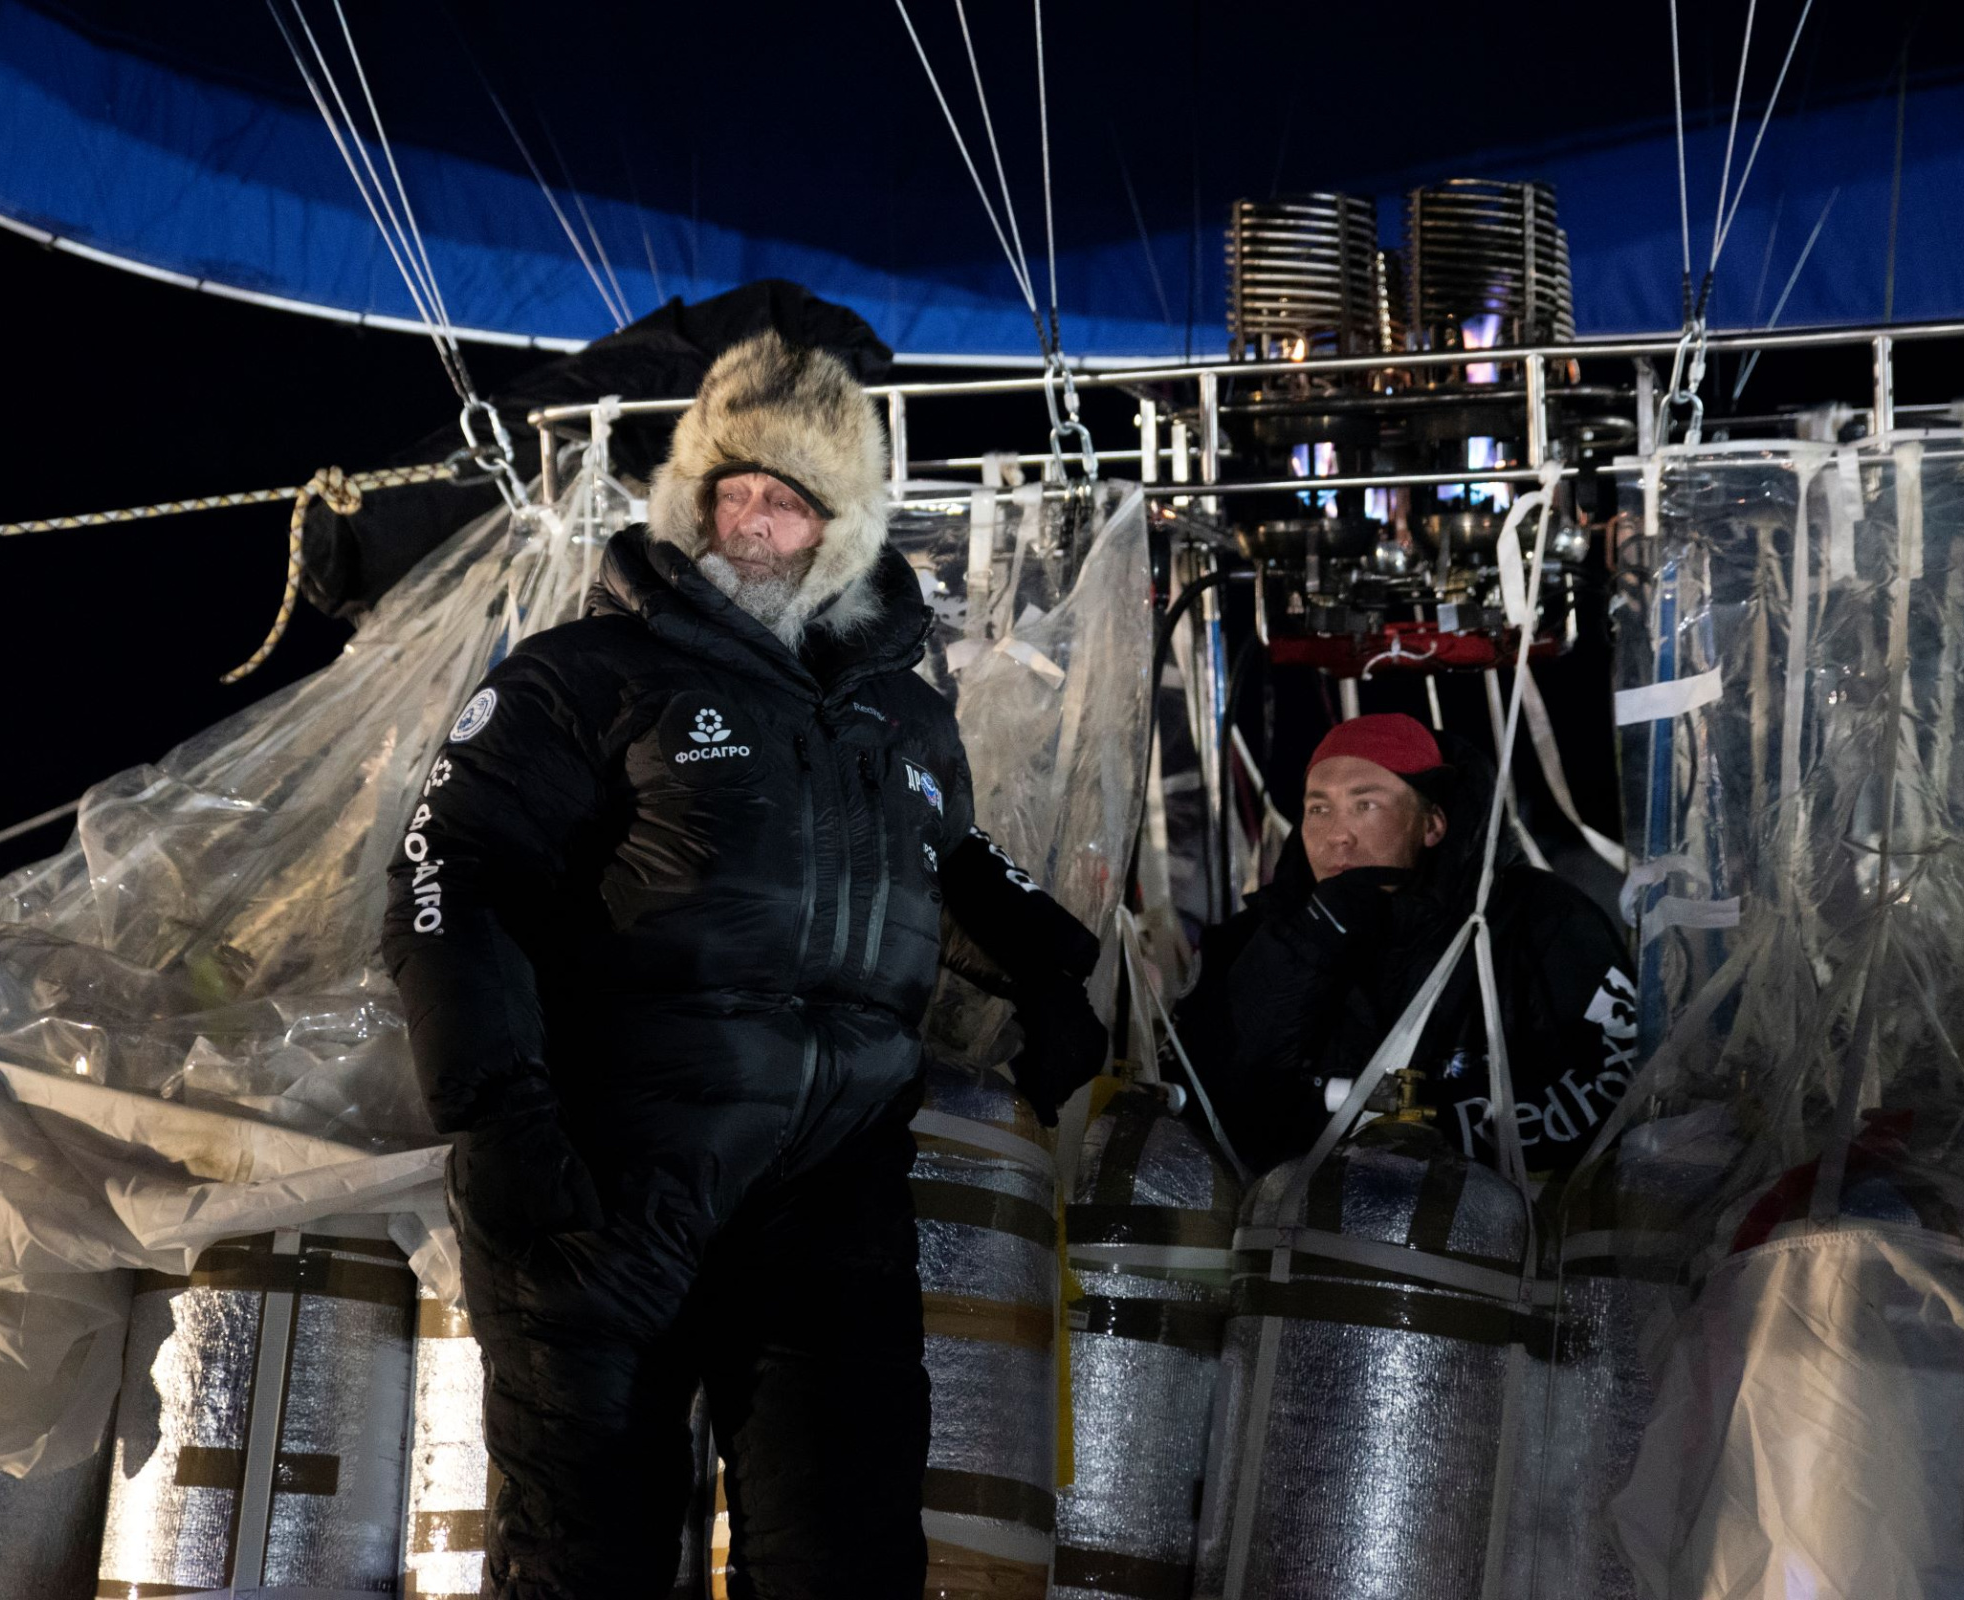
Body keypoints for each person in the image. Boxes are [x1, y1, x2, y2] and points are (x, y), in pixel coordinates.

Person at [381, 332, 1107, 1599]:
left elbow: (957, 854)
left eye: (788, 501)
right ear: (689, 502)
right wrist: (500, 1125)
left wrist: (1049, 970)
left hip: (828, 1199)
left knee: (847, 1557)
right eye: (732, 495)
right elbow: (447, 882)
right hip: (608, 1183)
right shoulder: (585, 677)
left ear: (844, 528)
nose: (753, 526)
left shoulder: (904, 713)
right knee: (582, 1566)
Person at [1177, 712, 1636, 1180]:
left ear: (1432, 824)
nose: (1337, 833)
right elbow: (1211, 1099)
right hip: (1298, 1236)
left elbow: (1611, 1090)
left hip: (1485, 1231)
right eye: (1319, 809)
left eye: (1365, 806)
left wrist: (1425, 1132)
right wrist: (1307, 944)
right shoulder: (1258, 935)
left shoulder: (1538, 920)